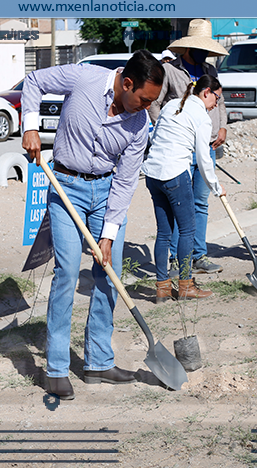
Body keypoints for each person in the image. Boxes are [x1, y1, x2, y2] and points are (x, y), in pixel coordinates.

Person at [21, 50, 164, 400]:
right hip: (65, 186)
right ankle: (55, 368)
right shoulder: (84, 78)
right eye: (143, 99)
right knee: (68, 271)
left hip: (105, 192)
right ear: (126, 83)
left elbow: (126, 181)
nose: (146, 107)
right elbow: (35, 81)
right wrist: (30, 126)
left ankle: (98, 361)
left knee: (109, 272)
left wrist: (109, 235)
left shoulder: (139, 123)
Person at [148, 19, 230, 276]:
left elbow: (222, 103)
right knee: (177, 207)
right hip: (181, 150)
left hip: (208, 144)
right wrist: (167, 131)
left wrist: (223, 127)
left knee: (200, 203)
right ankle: (175, 261)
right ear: (188, 47)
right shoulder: (171, 71)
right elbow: (154, 104)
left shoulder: (210, 71)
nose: (204, 53)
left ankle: (197, 255)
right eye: (200, 47)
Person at [143, 76, 227, 303]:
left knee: (164, 233)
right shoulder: (202, 116)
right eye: (216, 99)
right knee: (188, 230)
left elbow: (154, 136)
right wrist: (216, 187)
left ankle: (162, 288)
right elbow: (203, 157)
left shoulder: (171, 105)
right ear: (207, 92)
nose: (215, 105)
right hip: (175, 174)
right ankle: (186, 285)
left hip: (152, 174)